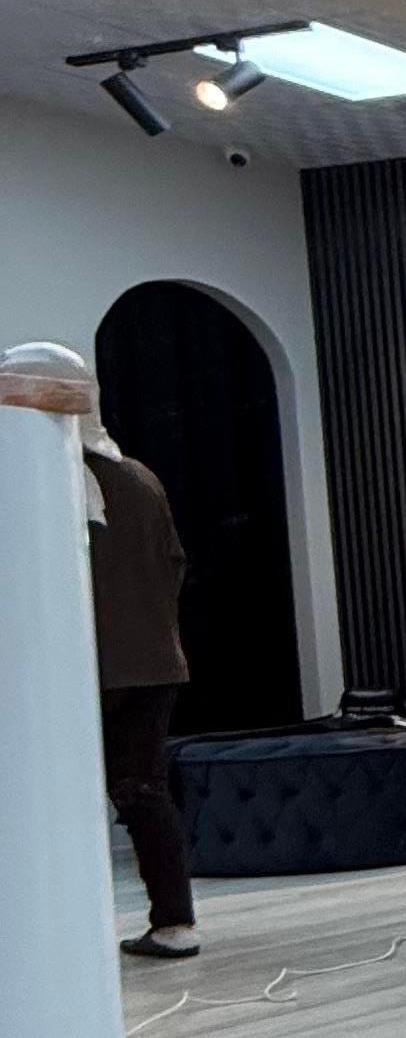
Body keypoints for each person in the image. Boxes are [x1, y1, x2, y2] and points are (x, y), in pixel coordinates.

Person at [12, 347, 199, 961]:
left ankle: (61, 933)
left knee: (55, 796)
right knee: (142, 790)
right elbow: (173, 565)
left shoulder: (44, 479)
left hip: (76, 668)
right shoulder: (139, 477)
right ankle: (175, 923)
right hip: (152, 662)